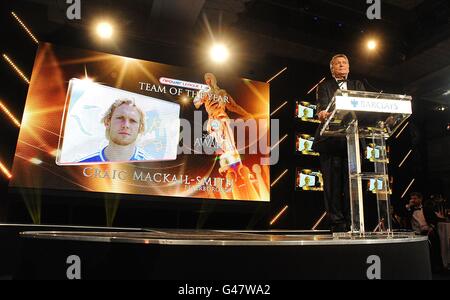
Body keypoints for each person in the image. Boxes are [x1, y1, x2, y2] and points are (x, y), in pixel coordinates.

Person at [313, 54, 366, 233]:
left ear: (349, 68)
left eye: (345, 63)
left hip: (352, 141)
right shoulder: (324, 86)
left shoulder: (358, 85)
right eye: (338, 63)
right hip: (330, 140)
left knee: (352, 184)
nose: (342, 65)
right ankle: (337, 224)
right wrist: (321, 113)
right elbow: (321, 106)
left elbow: (364, 108)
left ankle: (354, 222)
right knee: (332, 185)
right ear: (332, 69)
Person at [194, 73, 252, 175]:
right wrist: (201, 96)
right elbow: (197, 104)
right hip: (214, 120)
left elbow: (233, 106)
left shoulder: (222, 92)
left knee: (230, 144)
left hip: (223, 118)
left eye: (209, 78)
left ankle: (239, 170)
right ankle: (233, 171)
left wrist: (246, 114)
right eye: (206, 79)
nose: (208, 80)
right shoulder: (204, 91)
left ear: (214, 79)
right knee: (223, 144)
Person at [79, 99, 151, 163]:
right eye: (120, 118)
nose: (126, 125)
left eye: (133, 121)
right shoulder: (81, 167)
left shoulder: (153, 170)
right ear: (107, 122)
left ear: (140, 128)